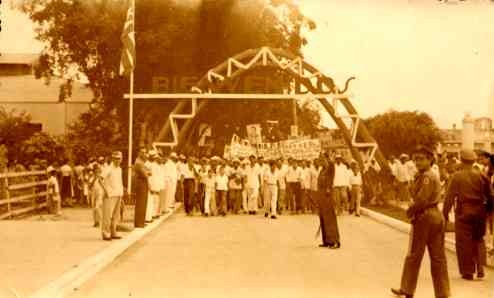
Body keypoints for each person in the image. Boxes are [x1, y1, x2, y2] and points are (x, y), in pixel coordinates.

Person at [391, 146, 450, 298]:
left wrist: (410, 211)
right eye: (416, 159)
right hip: (435, 215)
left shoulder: (426, 177)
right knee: (438, 257)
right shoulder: (424, 175)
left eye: (421, 159)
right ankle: (443, 293)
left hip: (424, 216)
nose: (418, 162)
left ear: (430, 159)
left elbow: (421, 200)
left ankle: (407, 289)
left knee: (414, 255)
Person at [443, 149, 493, 280]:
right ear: (473, 160)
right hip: (480, 211)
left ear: (462, 160)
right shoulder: (482, 175)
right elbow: (490, 195)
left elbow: (449, 197)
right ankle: (480, 268)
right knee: (479, 239)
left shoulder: (457, 176)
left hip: (464, 211)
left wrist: (445, 213)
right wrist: (487, 211)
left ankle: (468, 271)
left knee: (464, 242)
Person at [316, 155, 340, 249]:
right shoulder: (322, 170)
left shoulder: (331, 169)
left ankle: (335, 241)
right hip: (321, 196)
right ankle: (326, 241)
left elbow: (332, 166)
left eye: (323, 160)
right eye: (321, 160)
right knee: (323, 218)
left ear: (327, 160)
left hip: (327, 196)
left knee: (330, 218)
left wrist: (330, 159)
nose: (321, 161)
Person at [101, 151, 124, 241]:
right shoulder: (108, 168)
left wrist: (122, 193)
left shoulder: (119, 169)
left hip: (118, 193)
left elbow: (119, 182)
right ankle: (105, 233)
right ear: (112, 159)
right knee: (107, 215)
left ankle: (113, 232)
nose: (117, 160)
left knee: (116, 215)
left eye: (119, 158)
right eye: (115, 158)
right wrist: (105, 190)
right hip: (110, 194)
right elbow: (100, 179)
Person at [133, 148, 150, 228]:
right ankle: (139, 223)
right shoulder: (139, 162)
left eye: (145, 152)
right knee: (141, 203)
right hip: (141, 183)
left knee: (143, 203)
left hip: (142, 182)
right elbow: (145, 174)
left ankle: (141, 222)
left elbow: (149, 171)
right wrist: (147, 172)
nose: (144, 154)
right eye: (142, 152)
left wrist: (147, 172)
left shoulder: (142, 162)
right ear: (139, 153)